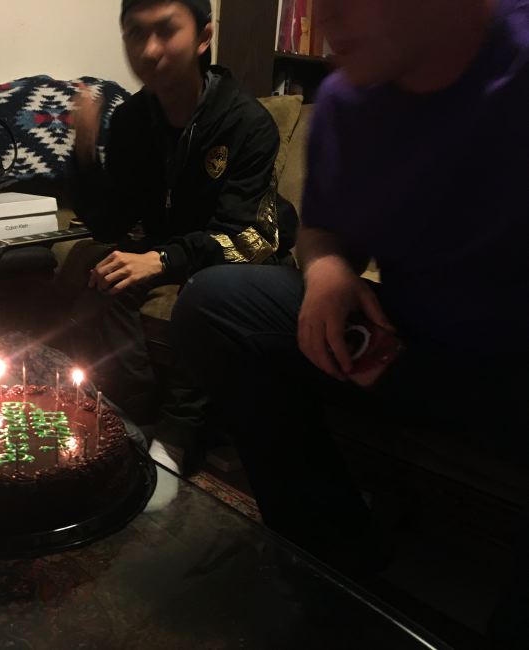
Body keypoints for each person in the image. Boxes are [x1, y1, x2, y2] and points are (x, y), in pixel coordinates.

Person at [172, 0, 529, 644]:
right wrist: (329, 271)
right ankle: (335, 566)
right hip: (412, 348)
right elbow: (322, 228)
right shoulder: (350, 96)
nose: (325, 12)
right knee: (217, 305)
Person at [69, 0, 298, 470]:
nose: (149, 49)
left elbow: (236, 231)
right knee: (97, 271)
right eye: (135, 34)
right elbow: (112, 223)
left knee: (207, 292)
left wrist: (162, 259)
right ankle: (134, 418)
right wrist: (85, 155)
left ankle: (178, 435)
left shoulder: (247, 122)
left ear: (203, 37)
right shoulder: (132, 120)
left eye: (166, 31)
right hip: (174, 245)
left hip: (245, 247)